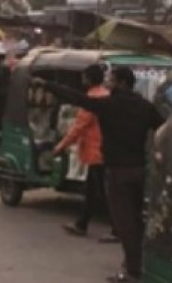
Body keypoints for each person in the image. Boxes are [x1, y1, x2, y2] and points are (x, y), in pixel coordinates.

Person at [33, 67, 164, 283]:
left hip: (117, 170)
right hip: (139, 169)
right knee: (136, 220)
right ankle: (138, 263)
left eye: (111, 79)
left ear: (121, 82)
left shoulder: (109, 105)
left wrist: (47, 85)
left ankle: (132, 272)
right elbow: (163, 127)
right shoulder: (144, 106)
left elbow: (76, 98)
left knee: (124, 223)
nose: (108, 82)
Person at [52, 63, 116, 241]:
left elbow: (79, 127)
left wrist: (60, 146)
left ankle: (117, 229)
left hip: (96, 151)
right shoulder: (106, 95)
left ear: (88, 79)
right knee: (92, 189)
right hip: (104, 149)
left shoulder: (92, 99)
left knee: (104, 192)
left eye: (84, 77)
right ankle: (82, 223)